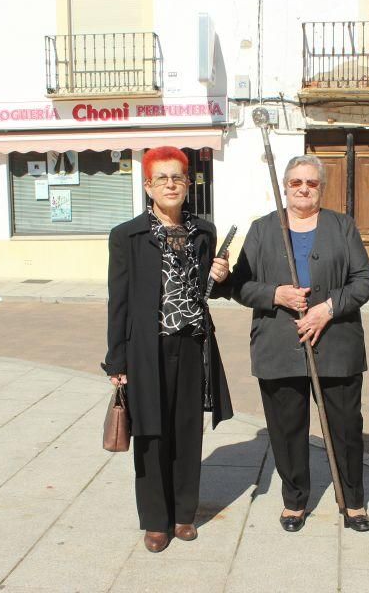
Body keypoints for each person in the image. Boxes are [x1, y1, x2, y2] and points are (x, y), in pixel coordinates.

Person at [232, 155, 369, 533]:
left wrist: (328, 308)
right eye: (296, 182)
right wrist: (274, 294)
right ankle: (295, 500)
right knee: (287, 429)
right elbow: (239, 285)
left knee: (345, 428)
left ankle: (353, 500)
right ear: (285, 186)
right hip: (279, 347)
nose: (303, 189)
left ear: (321, 188)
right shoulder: (263, 229)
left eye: (311, 183)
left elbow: (364, 280)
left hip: (337, 346)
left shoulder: (342, 226)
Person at [101, 146, 234, 553]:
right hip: (147, 349)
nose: (171, 184)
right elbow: (118, 300)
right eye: (162, 178)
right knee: (152, 435)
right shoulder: (128, 235)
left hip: (193, 345)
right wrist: (117, 359)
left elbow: (213, 289)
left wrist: (224, 275)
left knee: (187, 432)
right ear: (148, 186)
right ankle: (155, 520)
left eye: (178, 177)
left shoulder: (204, 232)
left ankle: (183, 515)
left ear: (189, 182)